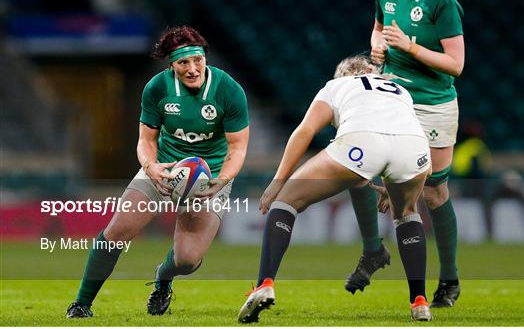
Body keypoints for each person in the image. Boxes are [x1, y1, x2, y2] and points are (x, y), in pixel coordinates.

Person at [66, 25, 249, 318]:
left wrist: (222, 180)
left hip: (211, 178)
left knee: (188, 261)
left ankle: (163, 278)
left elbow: (237, 148)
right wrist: (150, 167)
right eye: (183, 63)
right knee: (117, 231)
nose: (192, 68)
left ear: (205, 58)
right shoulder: (157, 88)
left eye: (198, 60)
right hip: (162, 169)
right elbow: (146, 140)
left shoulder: (228, 90)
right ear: (172, 64)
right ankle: (81, 304)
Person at [238, 55, 433, 323]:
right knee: (407, 214)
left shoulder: (336, 86)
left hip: (362, 142)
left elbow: (305, 131)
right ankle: (419, 301)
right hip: (414, 148)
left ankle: (264, 284)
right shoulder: (401, 91)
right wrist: (394, 186)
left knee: (286, 201)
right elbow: (401, 139)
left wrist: (279, 180)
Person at [346, 0, 465, 307]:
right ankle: (372, 250)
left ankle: (448, 278)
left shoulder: (441, 1)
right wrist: (377, 49)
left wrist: (411, 48)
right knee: (355, 164)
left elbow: (456, 65)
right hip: (393, 97)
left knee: (434, 192)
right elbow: (378, 31)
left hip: (434, 104)